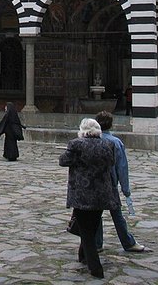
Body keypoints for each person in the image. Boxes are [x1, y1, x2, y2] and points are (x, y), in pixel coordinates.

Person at [59, 118, 119, 279]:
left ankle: (95, 267)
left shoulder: (76, 145)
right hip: (101, 194)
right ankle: (83, 255)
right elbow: (111, 162)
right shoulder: (108, 144)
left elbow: (63, 161)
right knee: (91, 227)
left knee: (85, 230)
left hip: (82, 194)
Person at [95, 111, 149, 253]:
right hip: (110, 184)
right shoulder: (115, 142)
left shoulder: (92, 141)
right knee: (117, 215)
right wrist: (126, 190)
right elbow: (122, 168)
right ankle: (128, 243)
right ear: (111, 124)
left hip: (95, 184)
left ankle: (97, 243)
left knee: (96, 215)